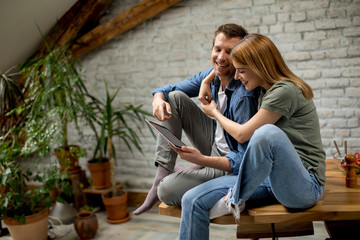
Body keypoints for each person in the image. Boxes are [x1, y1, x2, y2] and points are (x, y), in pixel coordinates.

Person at [172, 33, 326, 240]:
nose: (237, 77)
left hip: (304, 186)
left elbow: (244, 134)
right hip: (269, 180)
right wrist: (209, 80)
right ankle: (233, 199)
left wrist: (214, 112)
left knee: (266, 133)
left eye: (242, 71)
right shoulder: (265, 91)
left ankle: (235, 199)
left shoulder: (285, 91)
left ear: (260, 67)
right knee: (191, 199)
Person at [133, 24, 259, 215]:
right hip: (214, 142)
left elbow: (244, 159)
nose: (221, 57)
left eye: (230, 52)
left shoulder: (244, 94)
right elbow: (168, 89)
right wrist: (158, 98)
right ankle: (164, 172)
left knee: (166, 191)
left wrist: (205, 159)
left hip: (228, 164)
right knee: (174, 97)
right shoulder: (211, 77)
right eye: (218, 49)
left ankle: (192, 170)